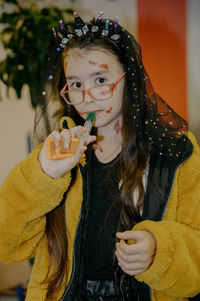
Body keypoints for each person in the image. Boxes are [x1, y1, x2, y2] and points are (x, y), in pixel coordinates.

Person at [0, 12, 200, 301]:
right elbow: (9, 245)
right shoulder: (58, 151)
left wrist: (160, 250)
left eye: (101, 78)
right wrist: (43, 174)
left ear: (128, 78)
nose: (88, 96)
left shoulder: (175, 153)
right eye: (76, 85)